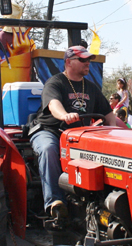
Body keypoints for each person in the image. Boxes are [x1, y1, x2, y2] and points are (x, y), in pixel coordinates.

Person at [30, 45, 123, 219]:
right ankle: (55, 203)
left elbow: (108, 114)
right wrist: (65, 115)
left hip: (79, 135)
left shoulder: (91, 87)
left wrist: (113, 129)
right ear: (68, 62)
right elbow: (53, 105)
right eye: (82, 59)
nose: (87, 63)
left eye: (88, 60)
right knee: (49, 149)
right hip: (51, 131)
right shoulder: (55, 82)